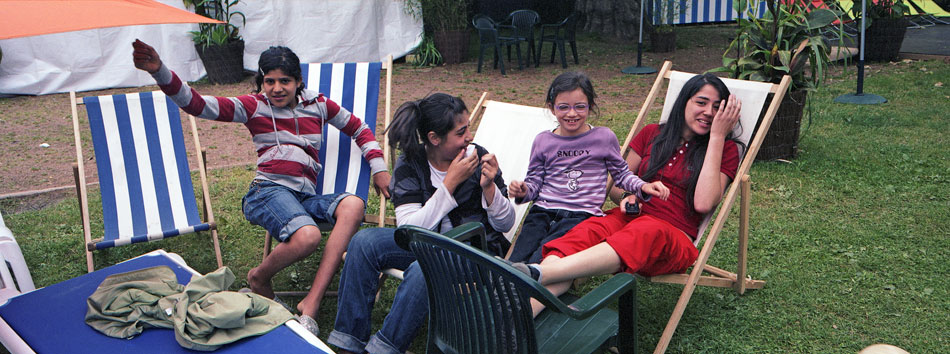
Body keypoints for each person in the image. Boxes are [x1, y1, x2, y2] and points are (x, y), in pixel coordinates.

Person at [131, 40, 392, 334]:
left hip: (303, 198)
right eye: (269, 81)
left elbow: (359, 128)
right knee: (308, 236)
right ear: (261, 81)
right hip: (266, 192)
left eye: (285, 81)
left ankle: (311, 303)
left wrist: (379, 168)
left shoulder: (318, 104)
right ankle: (258, 278)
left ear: (298, 82)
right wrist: (160, 71)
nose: (277, 88)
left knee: (354, 205)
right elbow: (198, 104)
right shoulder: (253, 106)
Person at [514, 73, 743, 316]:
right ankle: (520, 315)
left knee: (646, 230)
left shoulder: (725, 149)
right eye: (701, 102)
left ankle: (537, 273)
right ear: (684, 101)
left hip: (671, 236)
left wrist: (717, 136)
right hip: (627, 220)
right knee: (585, 232)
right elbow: (616, 184)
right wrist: (626, 197)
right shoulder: (652, 133)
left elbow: (704, 203)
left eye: (717, 108)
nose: (709, 112)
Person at [327, 93, 515, 354]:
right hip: (425, 242)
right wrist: (449, 185)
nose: (469, 137)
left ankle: (384, 349)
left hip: (474, 252)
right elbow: (408, 231)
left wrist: (490, 188)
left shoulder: (477, 157)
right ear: (434, 138)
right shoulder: (411, 162)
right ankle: (348, 342)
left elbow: (506, 223)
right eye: (461, 133)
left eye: (468, 129)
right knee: (364, 242)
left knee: (423, 267)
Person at [507, 71, 669, 263]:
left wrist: (643, 186)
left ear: (590, 106)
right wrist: (523, 191)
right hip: (541, 212)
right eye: (564, 107)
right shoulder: (543, 141)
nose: (572, 113)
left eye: (580, 107)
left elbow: (622, 175)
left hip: (580, 216)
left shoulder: (603, 138)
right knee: (515, 260)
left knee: (541, 260)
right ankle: (499, 290)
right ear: (552, 108)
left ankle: (522, 291)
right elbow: (534, 183)